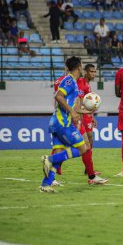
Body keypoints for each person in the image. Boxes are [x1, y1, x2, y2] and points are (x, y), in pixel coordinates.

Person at [40, 56, 89, 192]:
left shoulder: (72, 82)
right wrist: (72, 113)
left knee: (60, 155)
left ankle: (45, 184)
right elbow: (58, 96)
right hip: (63, 123)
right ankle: (49, 158)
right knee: (83, 149)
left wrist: (84, 111)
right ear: (79, 67)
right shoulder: (69, 81)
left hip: (56, 122)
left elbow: (71, 104)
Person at [53, 64, 108, 185]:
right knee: (81, 146)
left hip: (71, 117)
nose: (93, 74)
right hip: (69, 119)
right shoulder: (71, 82)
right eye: (90, 71)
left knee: (82, 144)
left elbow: (74, 102)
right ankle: (54, 163)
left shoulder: (74, 82)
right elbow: (64, 100)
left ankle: (90, 174)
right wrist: (79, 114)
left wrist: (88, 114)